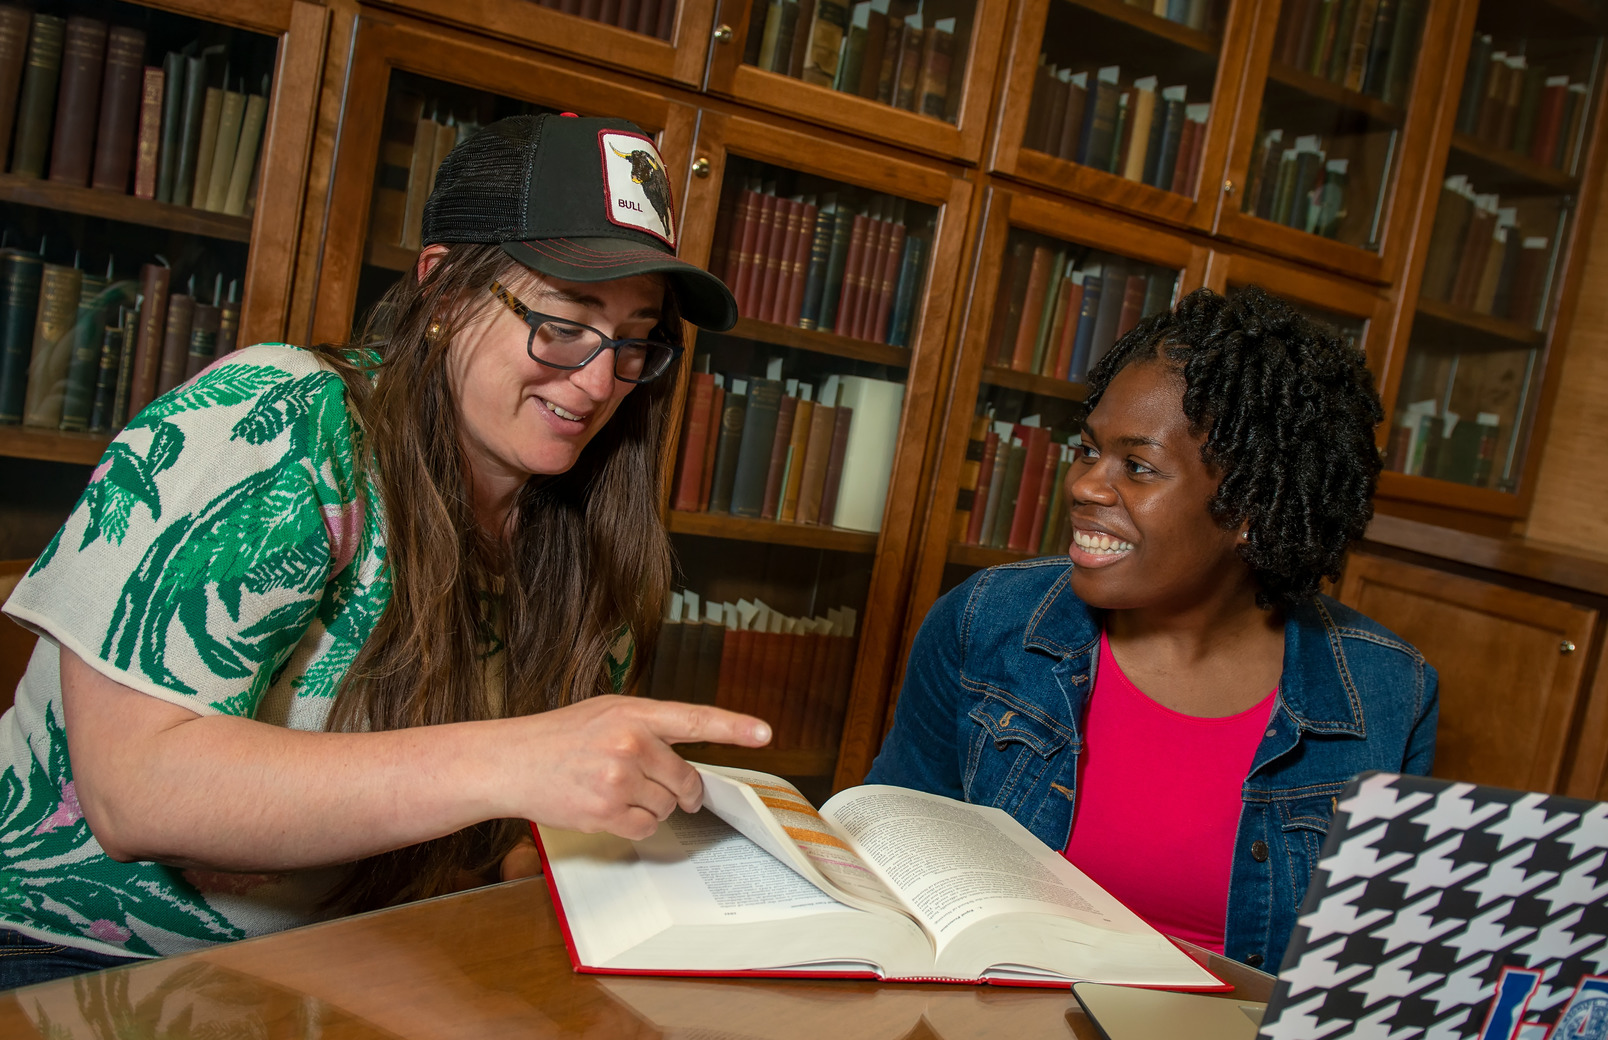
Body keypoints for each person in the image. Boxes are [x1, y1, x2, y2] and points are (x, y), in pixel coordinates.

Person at [0, 113, 772, 987]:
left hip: (355, 972)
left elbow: (499, 848)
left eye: (636, 339)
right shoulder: (284, 414)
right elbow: (134, 789)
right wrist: (514, 759)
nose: (599, 382)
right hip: (71, 961)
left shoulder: (584, 532)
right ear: (443, 293)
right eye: (562, 321)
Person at [867, 285, 1438, 972]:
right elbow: (892, 852)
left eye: (1137, 467)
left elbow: (1366, 968)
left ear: (1247, 505)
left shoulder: (1387, 690)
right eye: (1088, 451)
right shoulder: (985, 619)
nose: (1084, 486)